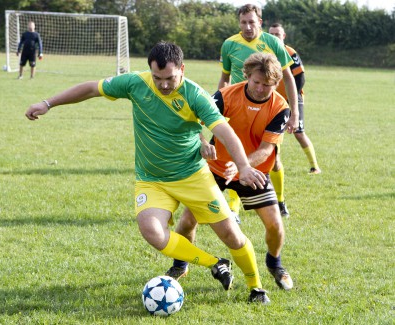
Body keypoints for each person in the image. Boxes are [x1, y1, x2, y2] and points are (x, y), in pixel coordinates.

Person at [25, 41, 270, 304]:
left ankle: (255, 287)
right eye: (157, 78)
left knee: (231, 235)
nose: (164, 84)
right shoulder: (135, 83)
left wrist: (243, 166)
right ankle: (215, 263)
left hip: (192, 177)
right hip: (151, 180)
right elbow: (91, 88)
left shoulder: (195, 95)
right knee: (152, 231)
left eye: (170, 78)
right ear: (149, 71)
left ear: (182, 69)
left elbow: (224, 131)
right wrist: (48, 103)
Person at [166, 52, 294, 291]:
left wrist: (242, 164)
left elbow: (266, 150)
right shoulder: (225, 95)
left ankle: (274, 263)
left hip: (252, 171)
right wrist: (203, 142)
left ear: (276, 83)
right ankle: (180, 264)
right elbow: (193, 122)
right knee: (186, 221)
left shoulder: (280, 107)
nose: (260, 89)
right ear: (247, 77)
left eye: (267, 85)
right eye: (256, 82)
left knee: (275, 225)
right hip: (215, 168)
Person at [219, 4, 299, 218]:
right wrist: (216, 107)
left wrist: (295, 113)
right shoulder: (229, 44)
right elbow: (225, 78)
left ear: (260, 22)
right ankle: (233, 209)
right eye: (243, 22)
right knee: (235, 155)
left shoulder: (272, 42)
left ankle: (280, 201)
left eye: (251, 22)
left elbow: (289, 78)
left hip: (267, 109)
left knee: (273, 160)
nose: (247, 27)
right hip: (236, 109)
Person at [269, 23, 321, 176]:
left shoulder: (290, 52)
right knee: (272, 132)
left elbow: (300, 78)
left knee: (298, 132)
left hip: (293, 98)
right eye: (271, 34)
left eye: (277, 34)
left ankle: (314, 166)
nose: (274, 37)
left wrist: (290, 99)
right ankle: (273, 165)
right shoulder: (266, 53)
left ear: (283, 36)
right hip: (273, 99)